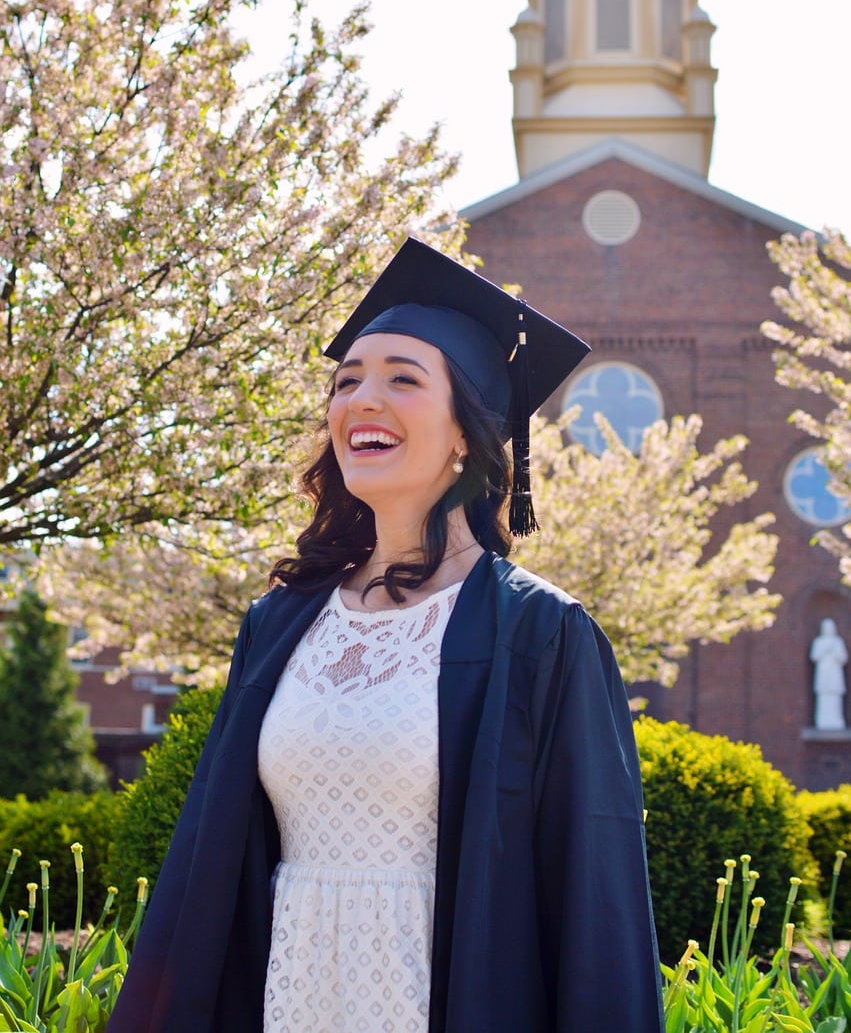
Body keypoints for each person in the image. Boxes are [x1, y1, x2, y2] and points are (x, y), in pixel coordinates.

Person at [107, 238, 664, 1033]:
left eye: (402, 378)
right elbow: (213, 862)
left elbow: (593, 894)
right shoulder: (279, 623)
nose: (361, 399)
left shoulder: (541, 633)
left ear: (467, 431)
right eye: (346, 381)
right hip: (289, 992)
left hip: (440, 996)